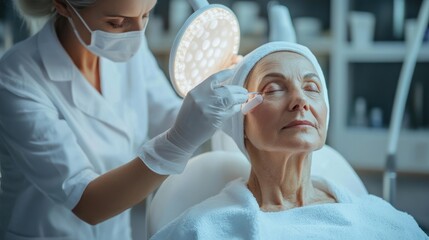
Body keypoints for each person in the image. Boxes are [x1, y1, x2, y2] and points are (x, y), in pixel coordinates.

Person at [0, 0, 248, 239]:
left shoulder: (129, 50)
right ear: (64, 5)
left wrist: (213, 99)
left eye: (146, 14)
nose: (137, 34)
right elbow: (87, 202)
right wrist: (179, 141)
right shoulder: (16, 78)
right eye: (117, 23)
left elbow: (169, 116)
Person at [150, 42, 428, 240]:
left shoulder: (380, 220)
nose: (300, 101)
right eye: (273, 88)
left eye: (311, 88)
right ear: (241, 123)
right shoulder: (203, 229)